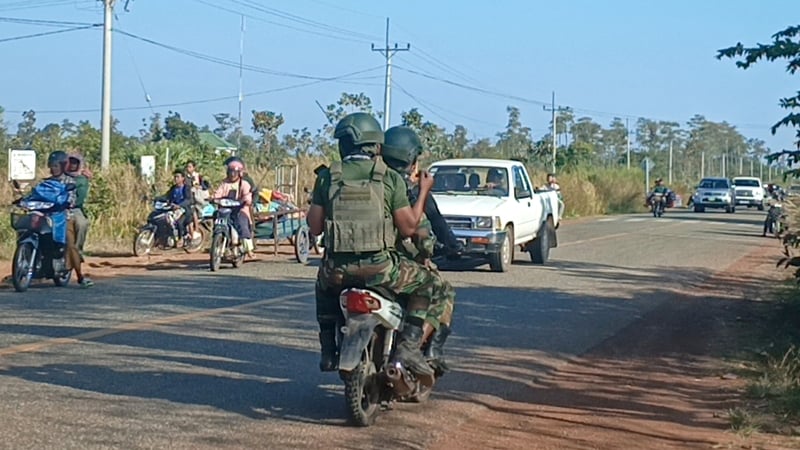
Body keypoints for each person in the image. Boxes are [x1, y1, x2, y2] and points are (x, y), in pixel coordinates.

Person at [308, 112, 444, 378]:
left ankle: (327, 349)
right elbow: (408, 227)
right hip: (382, 270)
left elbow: (314, 227)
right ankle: (408, 348)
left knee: (322, 286)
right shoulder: (389, 178)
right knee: (427, 283)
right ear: (376, 145)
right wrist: (425, 190)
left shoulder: (327, 177)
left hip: (337, 270)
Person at [382, 125, 458, 374]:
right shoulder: (410, 192)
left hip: (356, 266)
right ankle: (426, 350)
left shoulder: (368, 184)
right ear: (412, 162)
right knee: (441, 291)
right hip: (396, 267)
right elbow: (424, 233)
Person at [46, 151, 93, 287]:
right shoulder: (48, 181)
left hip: (64, 215)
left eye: (56, 166)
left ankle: (79, 275)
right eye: (52, 166)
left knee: (70, 242)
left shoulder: (74, 181)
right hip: (47, 213)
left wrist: (65, 203)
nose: (53, 168)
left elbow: (74, 199)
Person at [213, 159, 255, 258]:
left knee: (242, 224)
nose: (232, 174)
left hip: (240, 209)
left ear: (239, 173)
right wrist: (214, 198)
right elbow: (218, 193)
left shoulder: (244, 184)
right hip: (226, 209)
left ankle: (249, 249)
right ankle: (218, 237)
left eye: (234, 172)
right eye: (230, 172)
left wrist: (245, 200)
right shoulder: (224, 183)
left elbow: (248, 195)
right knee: (216, 215)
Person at [66, 152, 91, 259]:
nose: (72, 165)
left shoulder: (81, 179)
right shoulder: (59, 175)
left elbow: (80, 198)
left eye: (75, 163)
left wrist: (69, 204)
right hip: (54, 207)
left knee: (82, 224)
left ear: (79, 164)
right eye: (70, 162)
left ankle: (78, 251)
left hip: (73, 208)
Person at [165, 170, 194, 245]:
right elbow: (166, 196)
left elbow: (189, 200)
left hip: (185, 210)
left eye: (178, 177)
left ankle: (182, 237)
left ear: (183, 178)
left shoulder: (186, 188)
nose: (176, 179)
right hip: (174, 210)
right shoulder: (173, 188)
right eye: (175, 177)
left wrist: (179, 205)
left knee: (179, 222)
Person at [185, 160, 210, 235]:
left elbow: (205, 186)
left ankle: (196, 230)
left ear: (194, 168)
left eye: (190, 167)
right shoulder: (185, 177)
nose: (188, 168)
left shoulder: (198, 176)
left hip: (196, 199)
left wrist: (198, 187)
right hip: (188, 197)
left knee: (192, 212)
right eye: (187, 167)